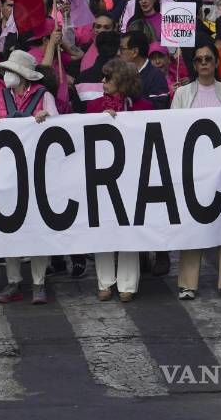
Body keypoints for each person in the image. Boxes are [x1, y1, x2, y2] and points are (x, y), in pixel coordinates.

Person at [170, 43, 221, 299]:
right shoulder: (182, 94)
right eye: (199, 59)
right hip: (193, 170)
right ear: (193, 64)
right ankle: (187, 283)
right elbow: (173, 130)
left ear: (216, 62)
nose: (203, 63)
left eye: (208, 59)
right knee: (192, 224)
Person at [0, 50, 56, 304]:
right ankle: (13, 281)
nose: (6, 76)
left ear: (23, 76)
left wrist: (46, 120)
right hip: (8, 172)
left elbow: (58, 128)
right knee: (9, 228)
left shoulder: (43, 96)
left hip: (37, 171)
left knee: (36, 228)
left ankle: (38, 283)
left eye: (11, 72)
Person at [87, 59, 151, 301]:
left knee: (127, 227)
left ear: (122, 81)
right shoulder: (93, 107)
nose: (103, 82)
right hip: (100, 175)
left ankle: (127, 284)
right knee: (102, 225)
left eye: (108, 78)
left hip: (131, 175)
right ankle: (105, 282)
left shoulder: (143, 107)